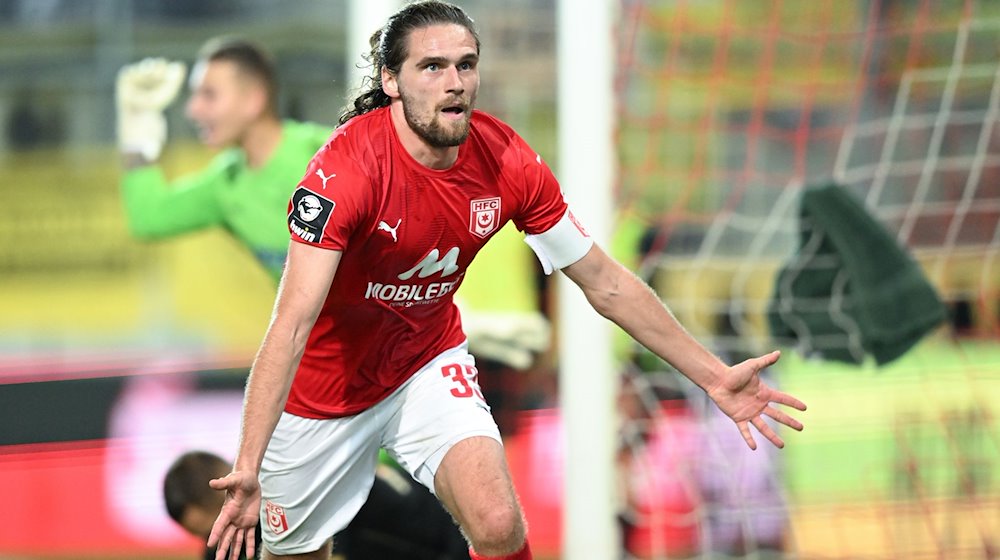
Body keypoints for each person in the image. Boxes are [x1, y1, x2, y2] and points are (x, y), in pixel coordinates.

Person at [207, 3, 808, 560]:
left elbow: (604, 282)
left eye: (466, 65)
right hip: (322, 393)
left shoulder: (507, 161)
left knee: (498, 523)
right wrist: (248, 463)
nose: (455, 82)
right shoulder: (345, 171)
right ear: (391, 81)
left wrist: (713, 377)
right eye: (433, 66)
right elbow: (292, 324)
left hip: (423, 362)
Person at [116, 36, 332, 281]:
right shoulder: (227, 182)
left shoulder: (326, 153)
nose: (193, 109)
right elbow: (149, 218)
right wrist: (136, 126)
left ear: (253, 100)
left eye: (209, 95)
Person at [165, 450, 470, 560]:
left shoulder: (296, 492)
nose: (213, 541)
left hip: (450, 547)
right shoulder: (226, 544)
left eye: (214, 528)